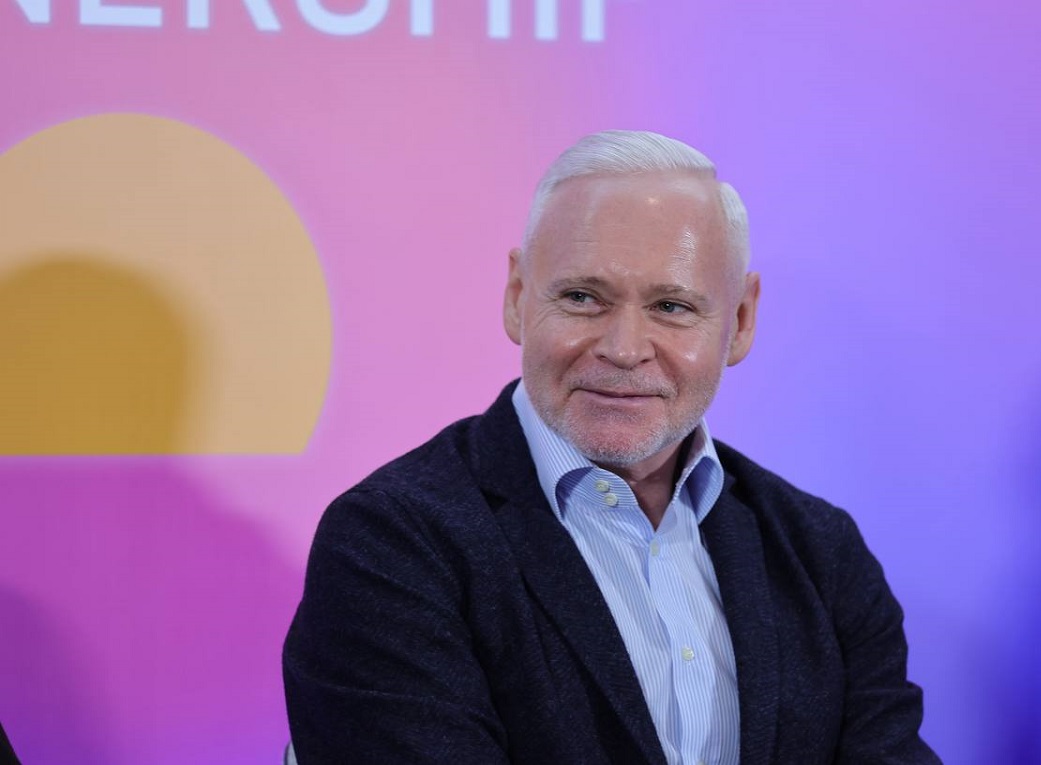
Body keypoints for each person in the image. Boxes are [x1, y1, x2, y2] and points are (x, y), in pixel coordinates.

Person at [283, 130, 940, 764]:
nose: (624, 349)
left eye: (672, 306)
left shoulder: (822, 553)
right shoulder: (392, 542)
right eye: (582, 297)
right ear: (517, 298)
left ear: (741, 320)